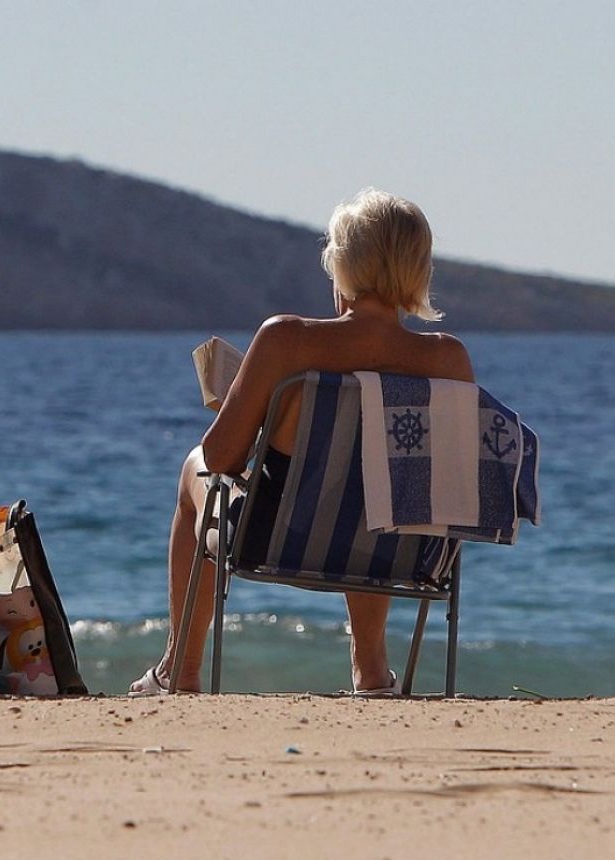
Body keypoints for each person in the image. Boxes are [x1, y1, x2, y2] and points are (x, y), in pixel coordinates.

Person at [130, 188, 474, 696]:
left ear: (343, 265)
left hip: (275, 536)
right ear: (418, 269)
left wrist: (245, 411)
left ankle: (179, 671)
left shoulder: (287, 340)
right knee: (376, 491)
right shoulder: (448, 360)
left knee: (193, 467)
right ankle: (373, 673)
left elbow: (223, 458)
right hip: (400, 549)